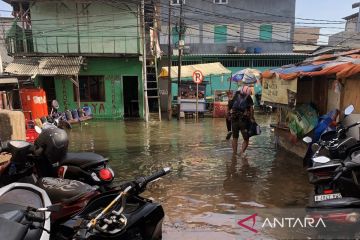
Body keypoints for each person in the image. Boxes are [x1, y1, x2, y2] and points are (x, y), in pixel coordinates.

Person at [230, 85, 255, 155]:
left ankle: (234, 154)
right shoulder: (248, 97)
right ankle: (241, 153)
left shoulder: (236, 94)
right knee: (246, 139)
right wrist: (252, 118)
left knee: (235, 138)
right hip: (243, 121)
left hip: (234, 120)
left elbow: (230, 105)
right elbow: (251, 109)